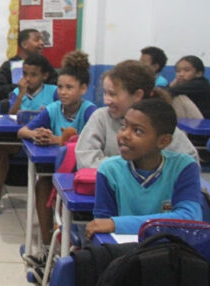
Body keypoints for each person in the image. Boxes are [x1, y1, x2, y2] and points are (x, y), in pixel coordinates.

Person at [16, 50, 96, 264]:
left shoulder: (90, 112)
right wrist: (36, 133)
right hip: (55, 168)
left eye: (69, 87)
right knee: (42, 183)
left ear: (83, 89)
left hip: (83, 173)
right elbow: (22, 131)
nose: (63, 92)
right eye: (60, 87)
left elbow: (89, 143)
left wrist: (54, 139)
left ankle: (73, 242)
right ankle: (45, 246)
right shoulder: (52, 109)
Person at [86, 99, 202, 238]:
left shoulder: (183, 167)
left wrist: (117, 224)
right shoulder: (109, 170)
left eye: (137, 131)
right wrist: (112, 224)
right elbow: (102, 226)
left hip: (170, 251)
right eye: (124, 126)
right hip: (124, 253)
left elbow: (189, 219)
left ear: (163, 141)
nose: (124, 135)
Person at [0, 53, 58, 215]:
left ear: (44, 76)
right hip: (18, 135)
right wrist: (21, 94)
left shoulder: (53, 92)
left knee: (2, 149)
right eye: (25, 74)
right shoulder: (18, 90)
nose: (28, 79)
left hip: (39, 139)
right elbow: (12, 113)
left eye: (33, 75)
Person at [76, 60, 199, 170]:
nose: (106, 100)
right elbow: (85, 158)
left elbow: (190, 162)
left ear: (137, 95)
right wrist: (124, 173)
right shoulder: (101, 117)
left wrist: (158, 178)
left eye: (112, 94)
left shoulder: (159, 122)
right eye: (105, 93)